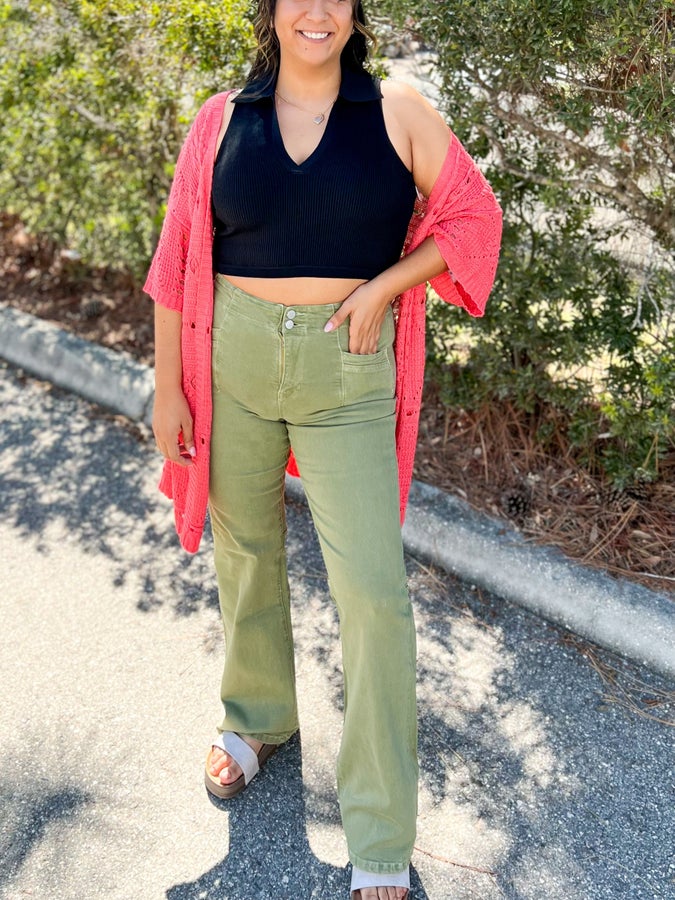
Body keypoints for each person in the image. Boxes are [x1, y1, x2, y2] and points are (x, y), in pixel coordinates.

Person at [144, 0, 502, 896]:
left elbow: (472, 219)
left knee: (374, 594)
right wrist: (167, 386)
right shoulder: (221, 119)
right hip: (231, 361)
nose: (316, 12)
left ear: (354, 12)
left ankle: (378, 832)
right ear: (269, 12)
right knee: (245, 551)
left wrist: (386, 285)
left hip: (347, 369)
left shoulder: (398, 112)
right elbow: (177, 258)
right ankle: (256, 716)